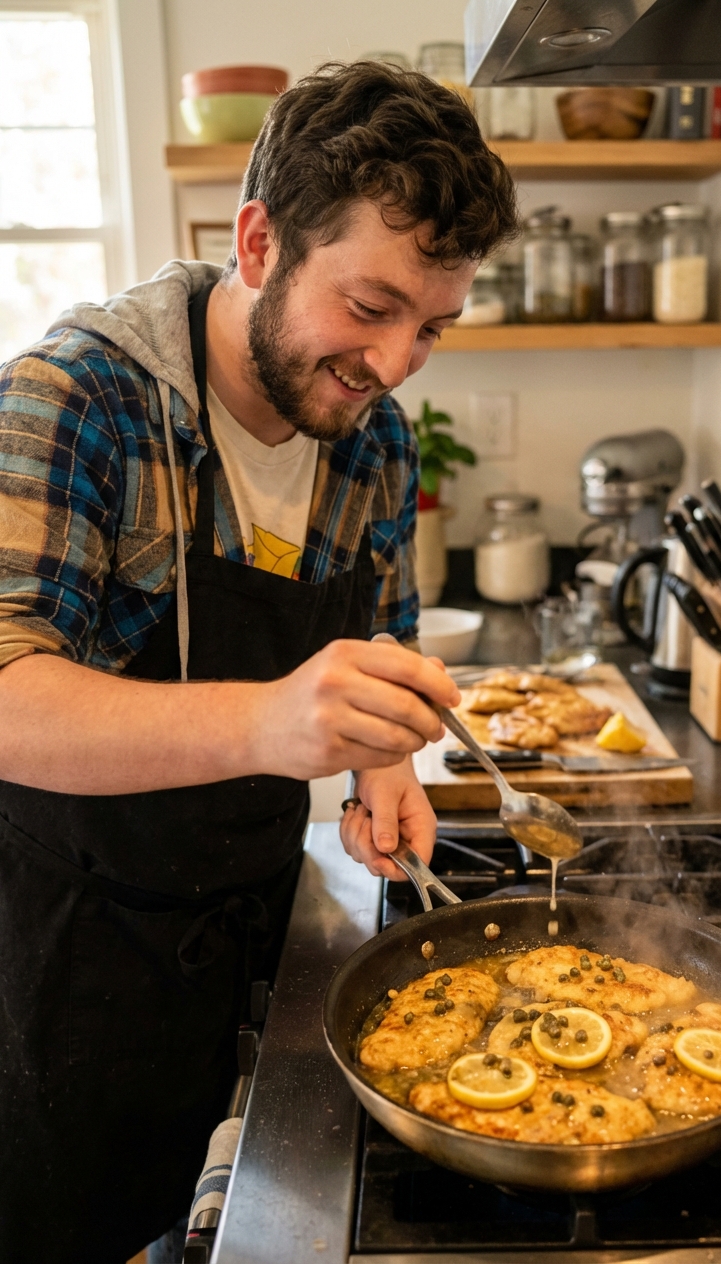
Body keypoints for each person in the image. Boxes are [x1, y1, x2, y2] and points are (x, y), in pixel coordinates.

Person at [0, 61, 518, 1262]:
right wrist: (272, 725)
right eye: (370, 306)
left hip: (254, 940)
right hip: (72, 965)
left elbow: (381, 640)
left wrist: (381, 759)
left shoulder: (370, 437)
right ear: (255, 239)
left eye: (431, 327)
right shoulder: (75, 400)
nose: (394, 363)